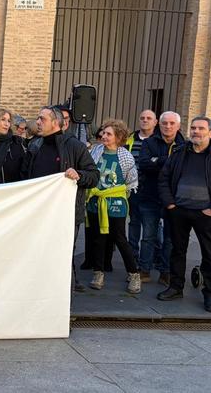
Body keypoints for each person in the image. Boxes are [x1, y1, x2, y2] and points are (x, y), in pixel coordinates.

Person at [157, 117, 211, 313]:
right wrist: (170, 204)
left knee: (210, 255)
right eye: (193, 128)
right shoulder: (179, 152)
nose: (196, 131)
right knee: (177, 250)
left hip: (207, 214)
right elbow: (164, 178)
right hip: (179, 211)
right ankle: (176, 287)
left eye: (201, 128)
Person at [22, 106, 99, 292]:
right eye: (38, 118)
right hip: (38, 212)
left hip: (65, 213)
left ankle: (62, 295)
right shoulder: (35, 145)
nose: (37, 122)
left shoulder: (75, 146)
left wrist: (79, 174)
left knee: (61, 256)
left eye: (42, 119)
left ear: (56, 123)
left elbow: (94, 176)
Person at [85, 120, 142, 294]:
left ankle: (134, 275)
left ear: (118, 137)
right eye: (103, 133)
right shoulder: (96, 150)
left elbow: (131, 182)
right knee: (98, 239)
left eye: (108, 134)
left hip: (116, 203)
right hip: (96, 201)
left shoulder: (125, 156)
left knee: (120, 239)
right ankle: (98, 273)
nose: (104, 136)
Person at [137, 111, 186, 285]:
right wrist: (168, 161)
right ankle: (144, 270)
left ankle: (166, 272)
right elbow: (143, 164)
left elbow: (182, 170)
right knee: (148, 237)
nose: (168, 126)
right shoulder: (150, 142)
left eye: (172, 123)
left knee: (170, 239)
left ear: (178, 126)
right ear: (160, 124)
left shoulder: (184, 145)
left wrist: (156, 161)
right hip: (150, 196)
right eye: (165, 123)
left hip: (173, 200)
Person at [125, 110, 158, 262]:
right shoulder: (130, 139)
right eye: (142, 118)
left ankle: (153, 257)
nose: (145, 120)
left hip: (151, 189)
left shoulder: (159, 140)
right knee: (134, 222)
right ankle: (132, 256)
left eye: (149, 118)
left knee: (153, 226)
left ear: (155, 122)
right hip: (133, 188)